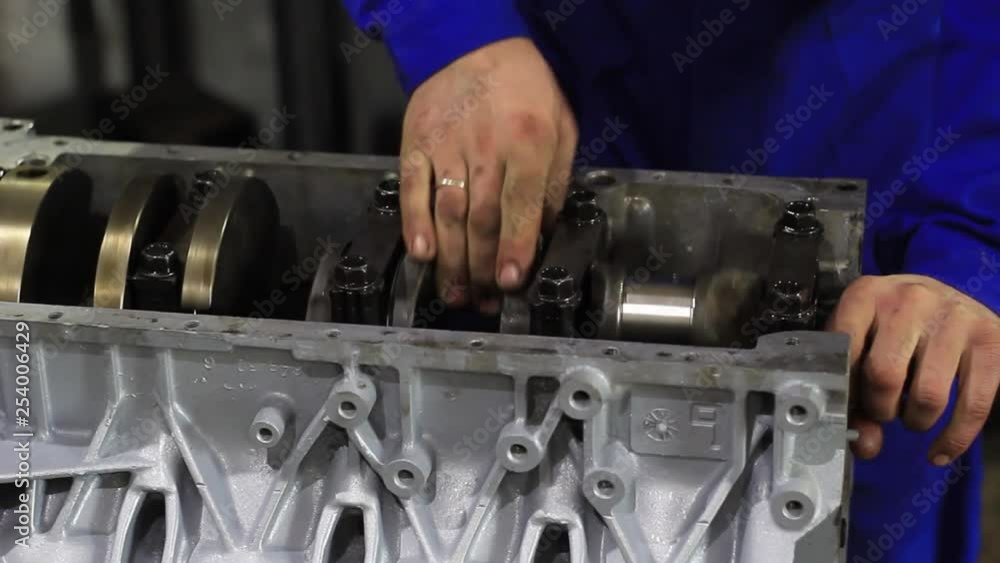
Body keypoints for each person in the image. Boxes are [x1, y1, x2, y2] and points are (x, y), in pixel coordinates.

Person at [342, 1, 1000, 561]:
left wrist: (969, 252)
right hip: (558, 91)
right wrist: (458, 32)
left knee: (863, 438)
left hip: (882, 122)